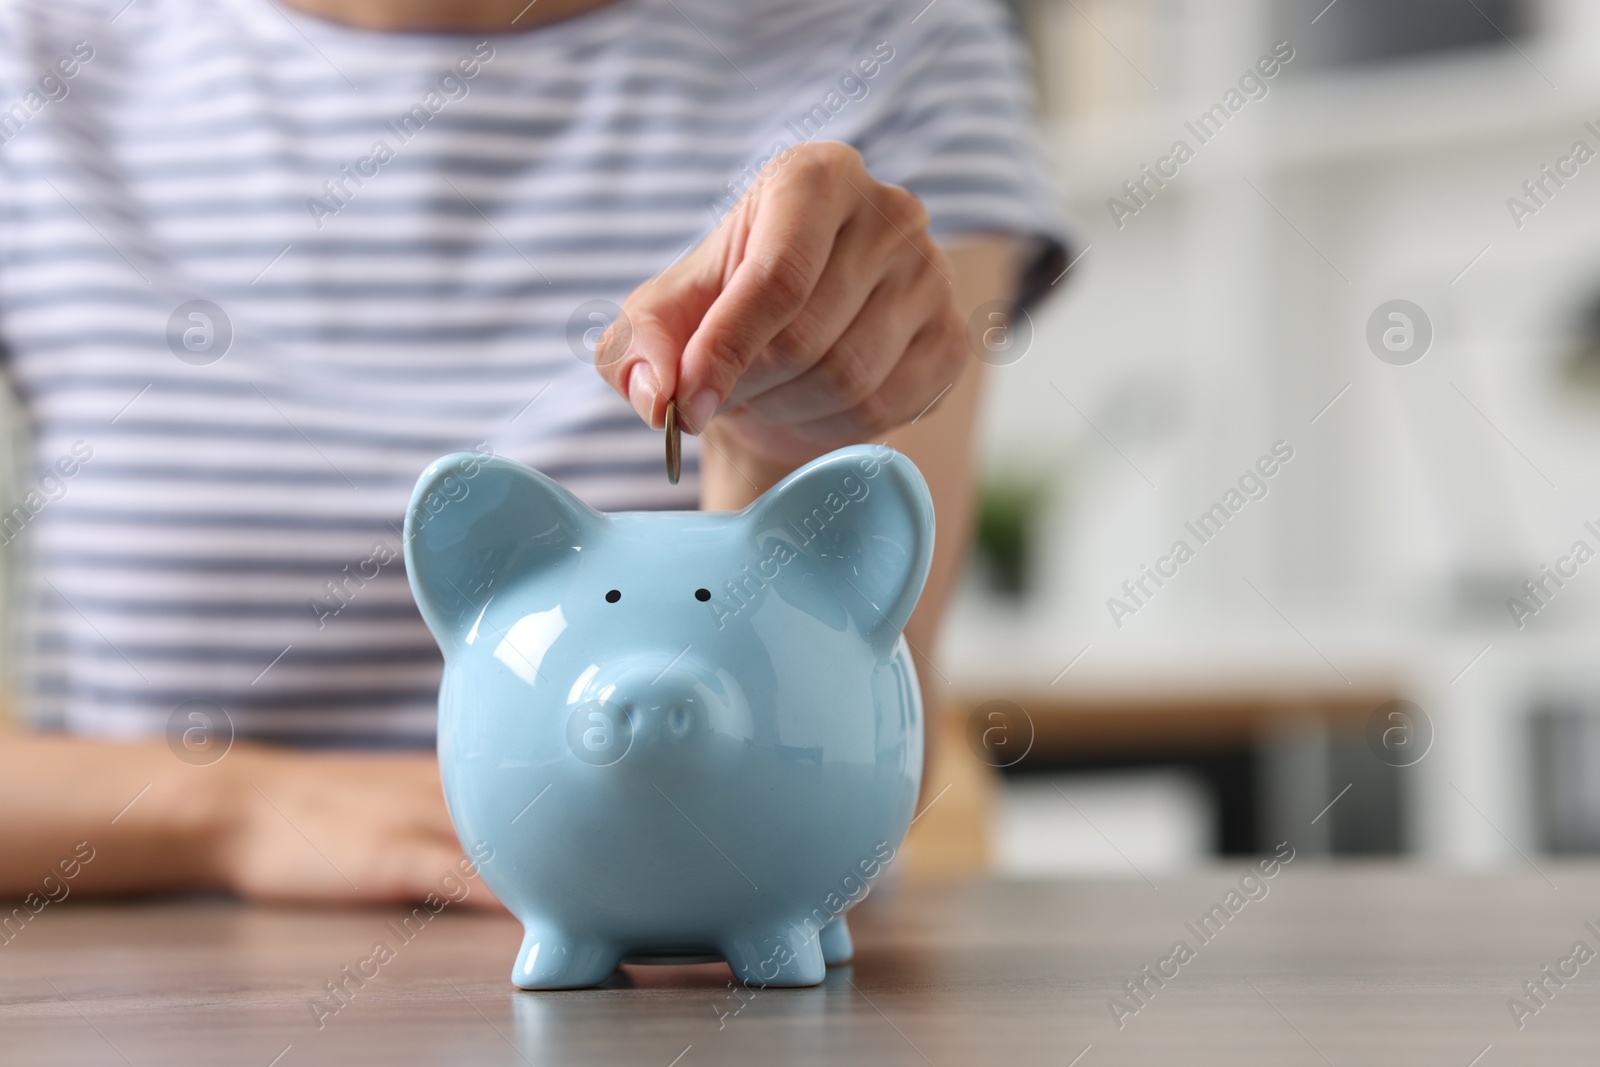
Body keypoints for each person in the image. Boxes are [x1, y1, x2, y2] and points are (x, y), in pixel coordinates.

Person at [0, 0, 1063, 904]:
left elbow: (857, 740)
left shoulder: (893, 44)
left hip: (681, 988)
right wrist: (234, 804)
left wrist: (783, 449)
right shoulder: (39, 63)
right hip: (167, 997)